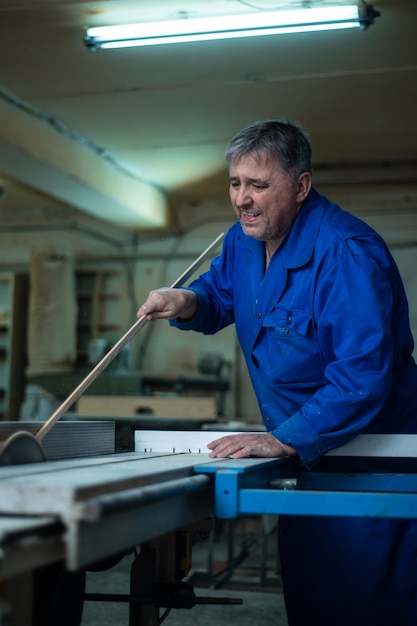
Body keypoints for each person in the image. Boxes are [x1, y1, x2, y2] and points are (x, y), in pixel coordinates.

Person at [138, 119, 417, 625]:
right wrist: (183, 300)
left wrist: (284, 439)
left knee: (371, 600)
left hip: (373, 461)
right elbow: (220, 293)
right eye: (234, 183)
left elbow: (362, 376)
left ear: (302, 186)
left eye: (258, 185)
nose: (242, 199)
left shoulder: (347, 253)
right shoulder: (243, 240)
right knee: (313, 597)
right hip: (305, 460)